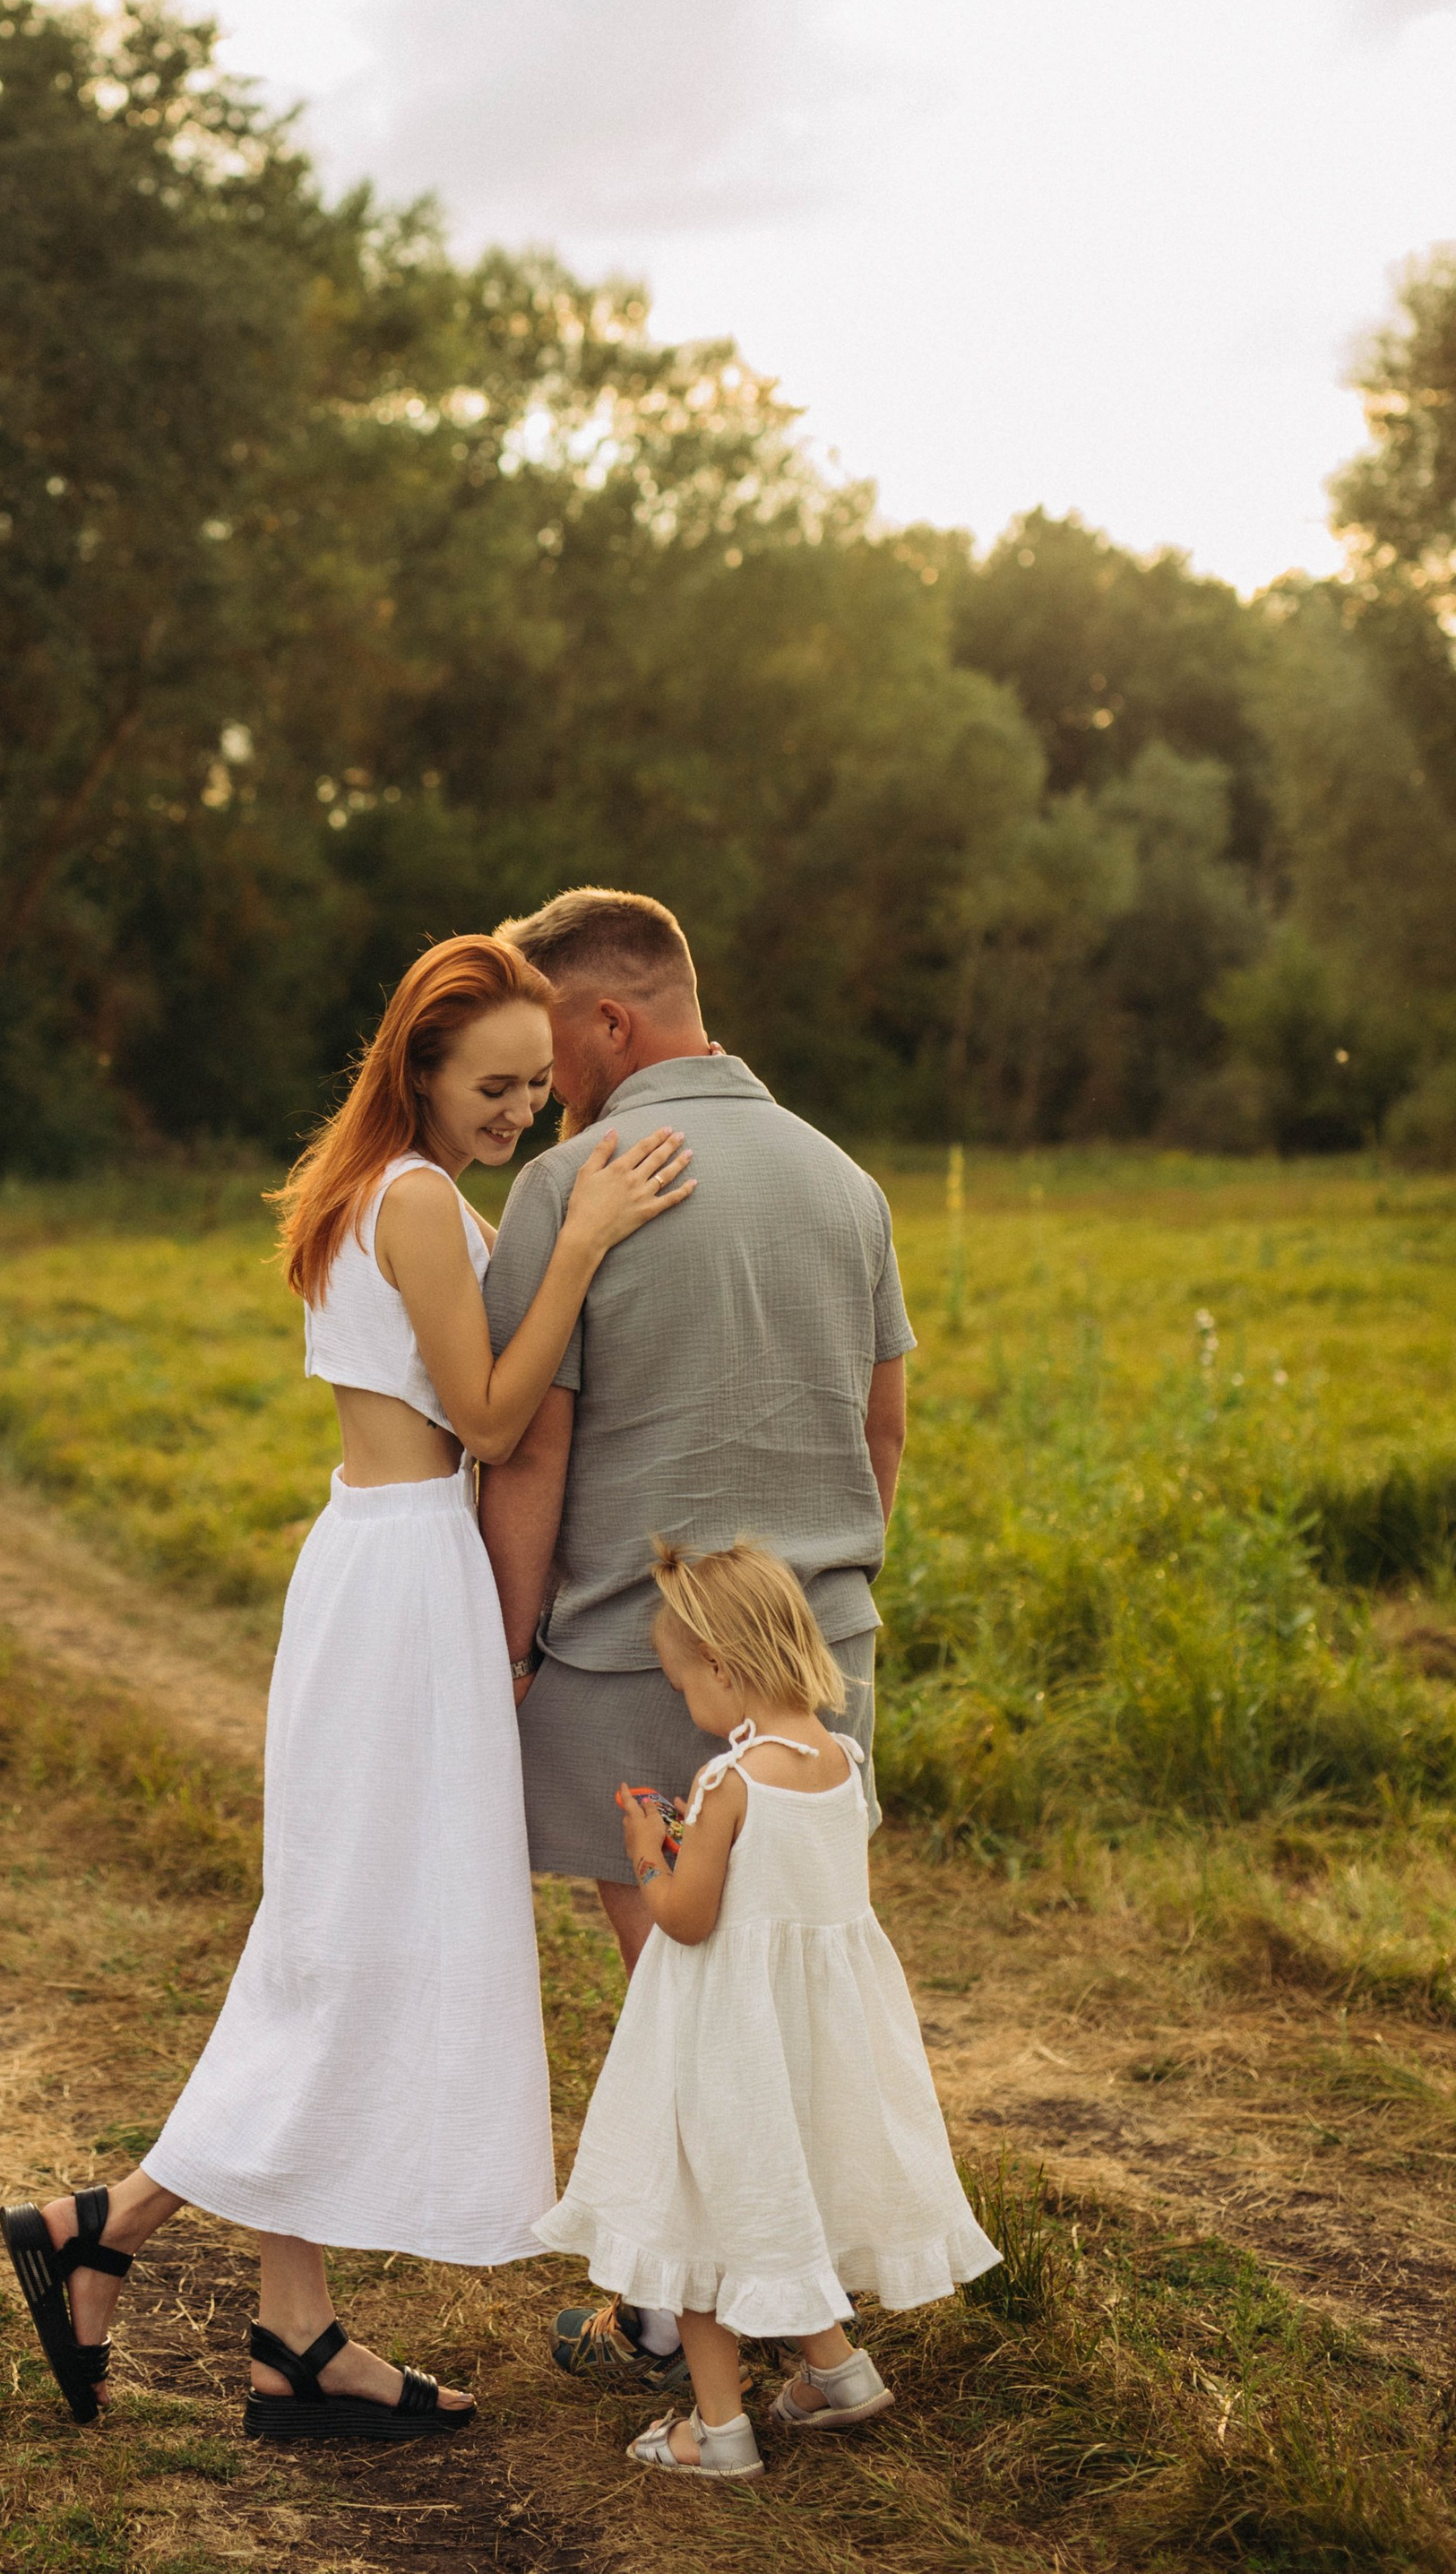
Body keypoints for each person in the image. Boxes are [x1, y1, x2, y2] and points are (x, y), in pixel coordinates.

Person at [1, 934, 691, 2443]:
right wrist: (579, 1243)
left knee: (333, 1943)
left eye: (533, 1083)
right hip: (407, 1584)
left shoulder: (361, 1186)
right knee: (352, 1948)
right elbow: (502, 1421)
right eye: (495, 1084)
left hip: (371, 1563)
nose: (520, 1109)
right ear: (420, 1069)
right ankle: (100, 2227)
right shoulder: (423, 1199)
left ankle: (291, 2337)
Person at [475, 883, 915, 2397]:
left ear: (610, 1019)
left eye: (552, 1045)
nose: (547, 1085)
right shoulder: (843, 1179)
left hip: (629, 1653)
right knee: (781, 2001)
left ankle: (704, 2326)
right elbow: (882, 1426)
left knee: (687, 2011)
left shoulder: (578, 1182)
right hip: (819, 1664)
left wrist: (507, 1642)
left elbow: (530, 1448)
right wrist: (828, 1611)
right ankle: (748, 2311)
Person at [536, 1539, 999, 2481]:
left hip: (724, 2043)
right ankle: (836, 2371)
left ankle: (718, 2431)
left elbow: (688, 1919)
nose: (682, 1703)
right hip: (802, 2041)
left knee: (695, 2218)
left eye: (680, 1683)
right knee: (773, 2205)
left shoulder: (727, 1783)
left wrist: (646, 1848)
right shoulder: (839, 1761)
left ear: (722, 1666)